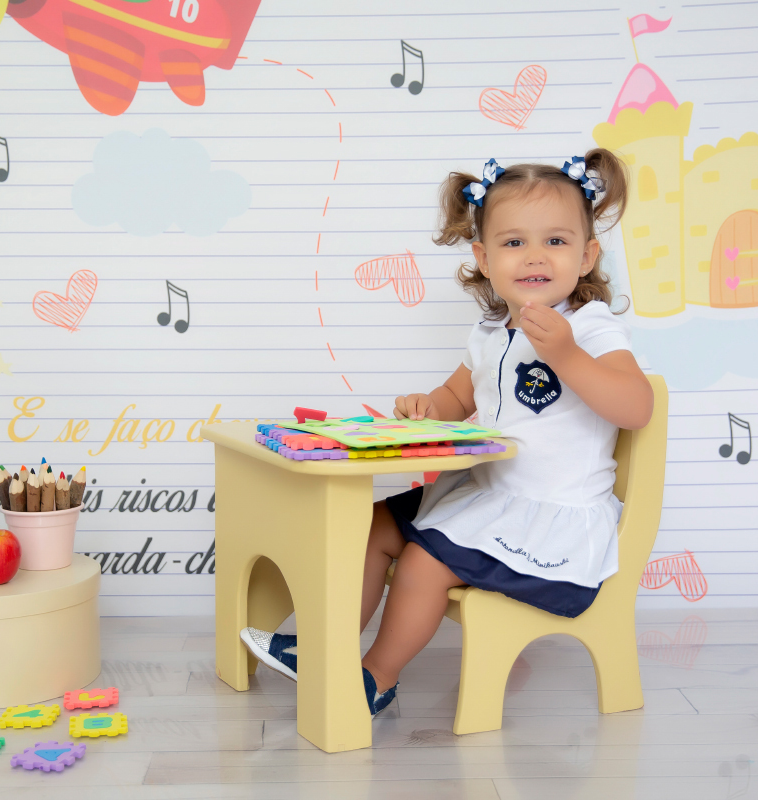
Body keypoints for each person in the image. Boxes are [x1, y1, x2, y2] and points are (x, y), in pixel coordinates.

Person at [241, 149, 654, 716]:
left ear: (586, 256)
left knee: (422, 561)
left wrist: (566, 354)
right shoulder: (490, 332)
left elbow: (636, 407)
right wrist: (425, 408)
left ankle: (375, 677)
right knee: (372, 525)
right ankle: (321, 648)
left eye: (556, 241)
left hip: (550, 517)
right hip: (487, 495)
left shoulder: (590, 327)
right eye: (514, 242)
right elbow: (457, 400)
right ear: (484, 258)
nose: (535, 255)